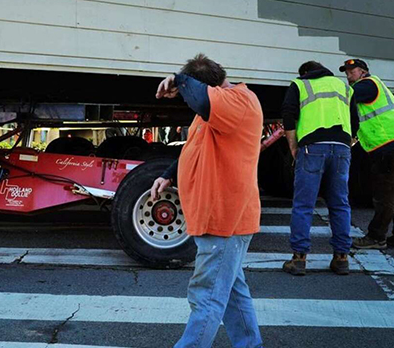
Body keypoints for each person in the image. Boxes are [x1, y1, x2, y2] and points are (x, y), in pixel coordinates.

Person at [151, 54, 263, 348]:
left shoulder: (238, 100)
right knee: (231, 293)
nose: (188, 99)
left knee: (206, 296)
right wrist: (168, 175)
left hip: (224, 219)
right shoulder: (215, 109)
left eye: (190, 90)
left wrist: (179, 80)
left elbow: (201, 99)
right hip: (219, 218)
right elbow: (194, 146)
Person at [281, 61, 359, 276]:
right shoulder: (344, 86)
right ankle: (341, 258)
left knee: (304, 204)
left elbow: (288, 116)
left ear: (305, 72)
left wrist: (293, 147)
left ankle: (299, 259)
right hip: (342, 148)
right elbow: (355, 119)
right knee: (340, 203)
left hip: (312, 148)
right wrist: (348, 143)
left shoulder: (300, 84)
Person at [340, 59, 394, 249]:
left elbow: (346, 97)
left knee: (384, 196)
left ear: (363, 71)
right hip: (386, 146)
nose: (348, 75)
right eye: (346, 72)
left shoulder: (367, 85)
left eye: (351, 71)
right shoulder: (374, 85)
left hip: (386, 147)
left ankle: (376, 237)